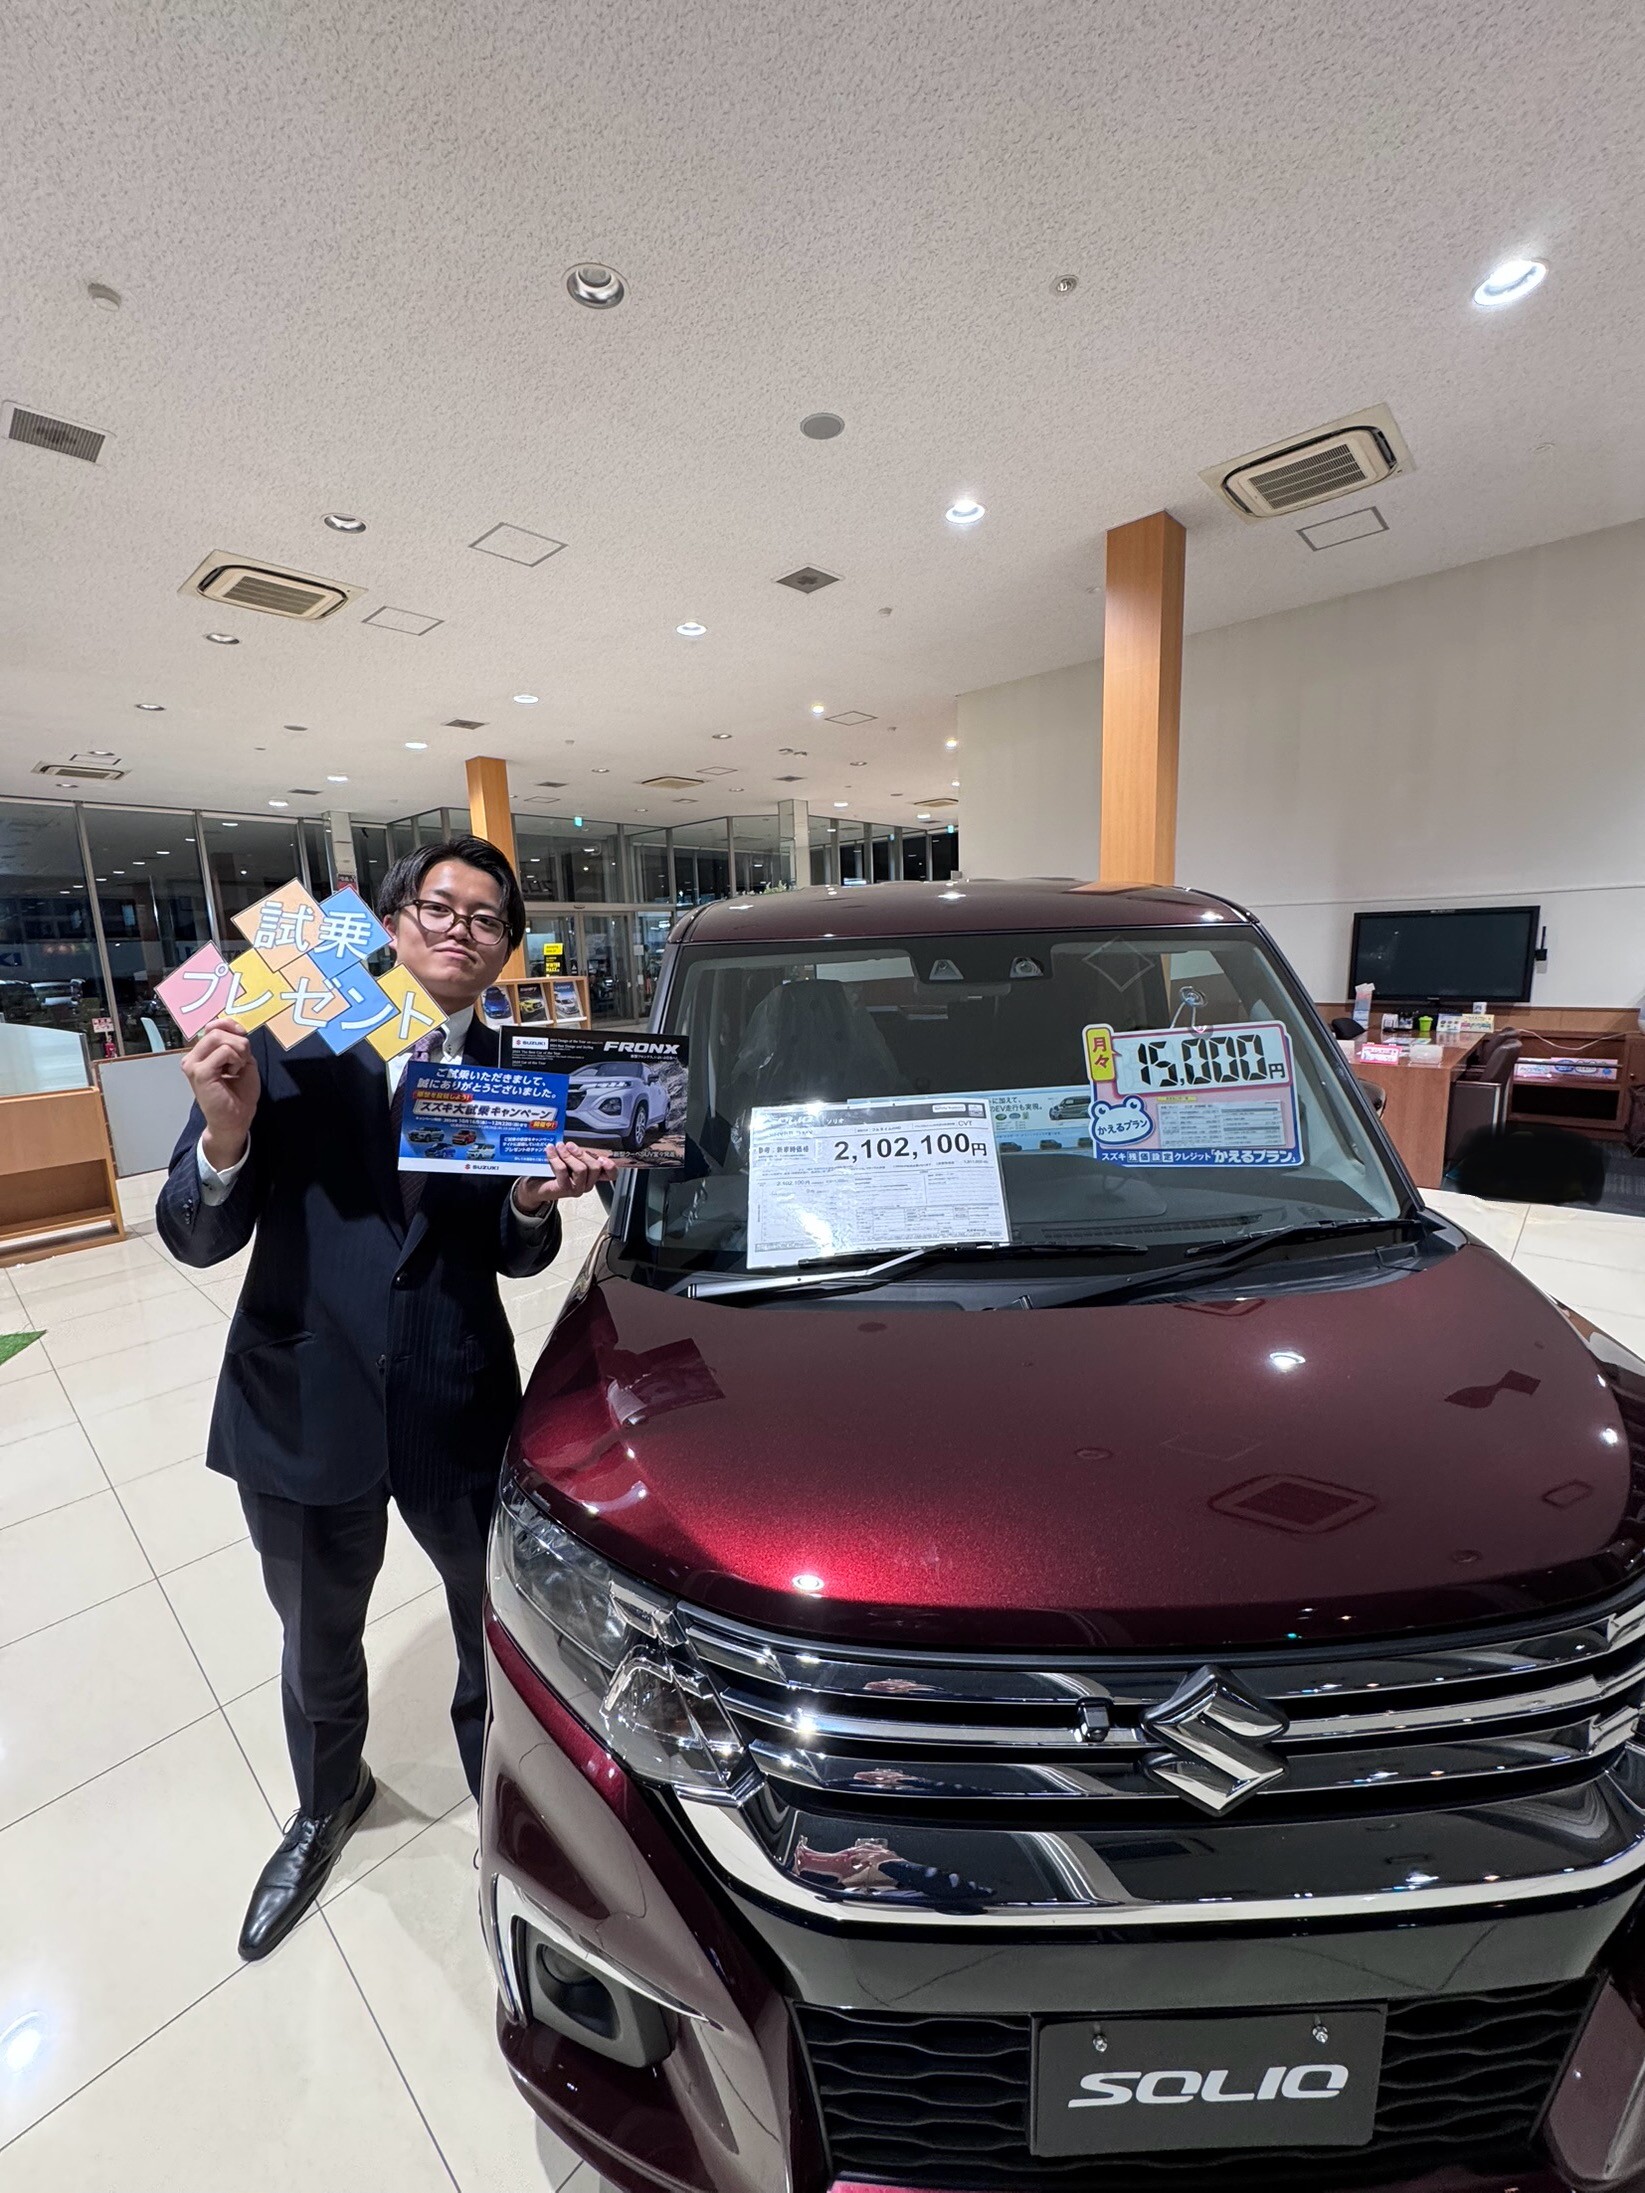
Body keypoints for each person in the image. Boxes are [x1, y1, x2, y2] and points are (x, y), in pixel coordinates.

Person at [157, 835, 616, 1958]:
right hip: (302, 1396)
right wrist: (225, 1133)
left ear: (506, 951)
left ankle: (500, 1797)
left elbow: (510, 1255)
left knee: (490, 1624)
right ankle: (326, 1801)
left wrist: (527, 1202)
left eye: (487, 920)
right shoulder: (287, 1034)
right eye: (439, 908)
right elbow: (195, 1233)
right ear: (392, 922)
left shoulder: (516, 1072)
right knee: (316, 1633)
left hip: (456, 1396)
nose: (461, 930)